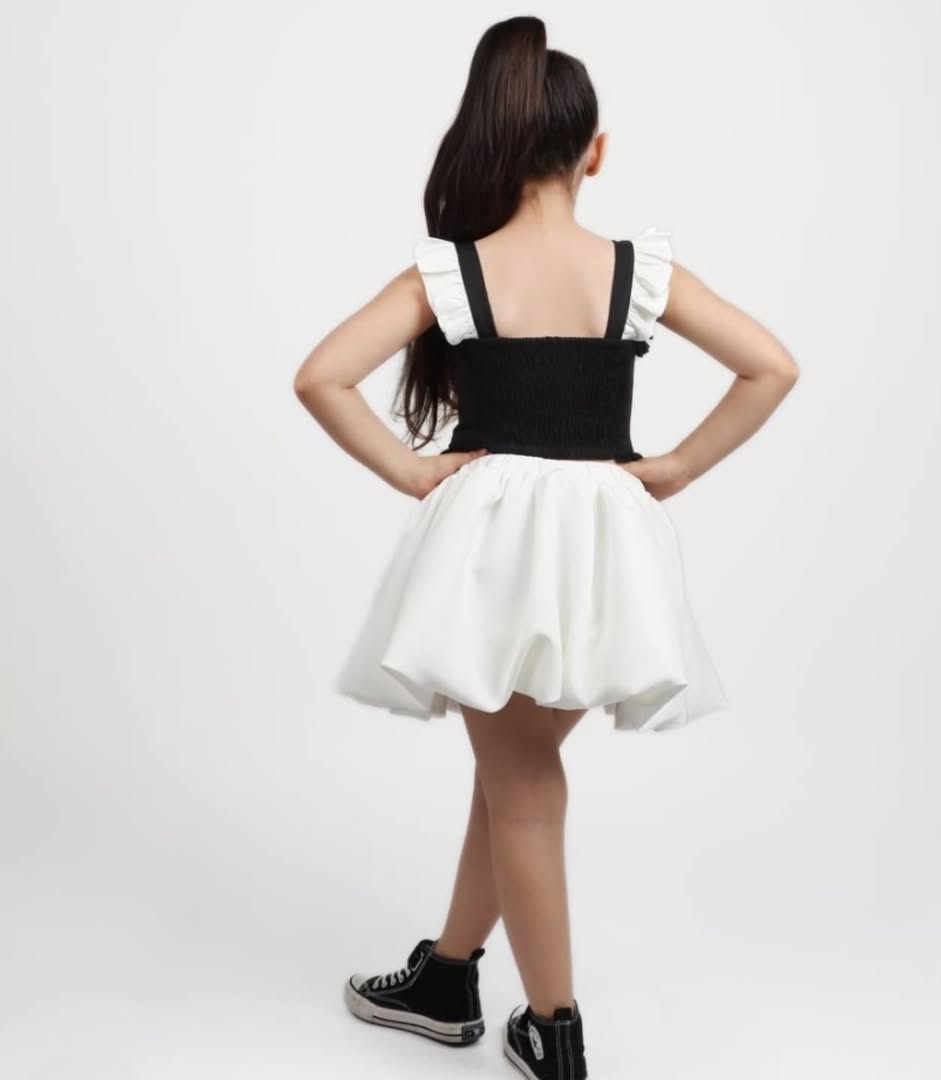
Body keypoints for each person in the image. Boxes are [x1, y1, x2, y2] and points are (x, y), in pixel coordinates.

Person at [293, 15, 799, 1079]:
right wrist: (676, 466)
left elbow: (321, 376)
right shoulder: (635, 272)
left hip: (495, 546)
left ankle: (553, 1030)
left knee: (517, 773)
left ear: (493, 140)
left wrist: (413, 471)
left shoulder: (454, 273)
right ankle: (447, 975)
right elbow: (771, 365)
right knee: (514, 766)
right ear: (593, 151)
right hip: (604, 547)